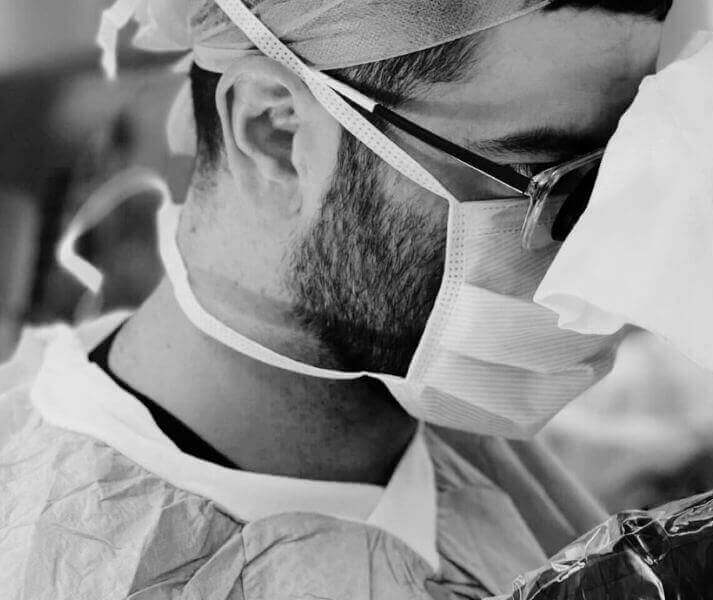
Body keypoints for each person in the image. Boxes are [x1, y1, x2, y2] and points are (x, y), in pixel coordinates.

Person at [0, 1, 675, 598]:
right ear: (276, 132)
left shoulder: (439, 415)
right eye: (552, 183)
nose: (605, 254)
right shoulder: (61, 560)